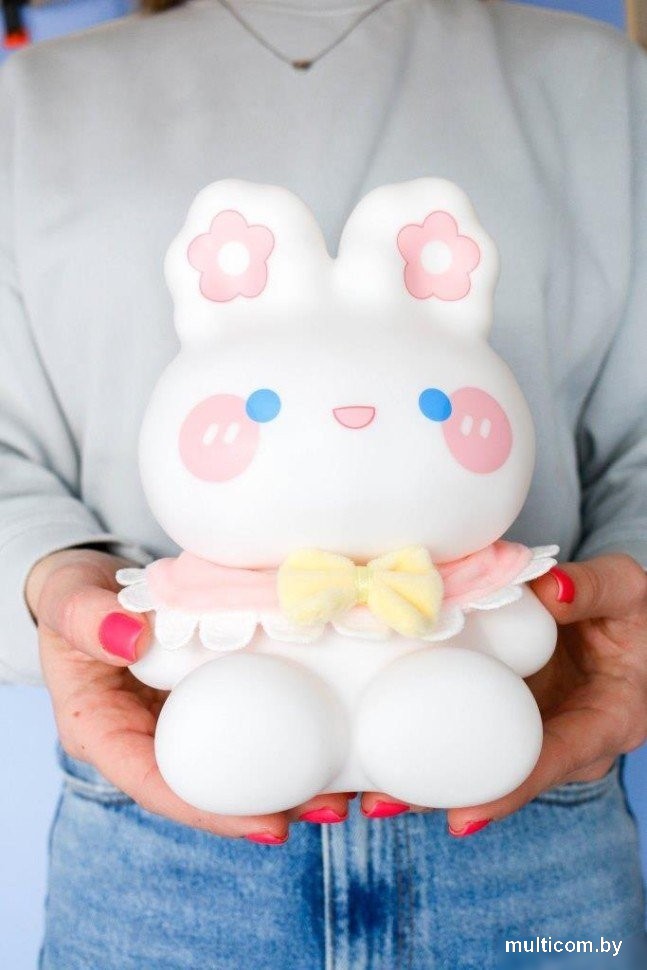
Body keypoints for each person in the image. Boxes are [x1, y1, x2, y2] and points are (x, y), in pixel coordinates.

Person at [1, 0, 647, 966]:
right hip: (156, 829)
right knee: (234, 729)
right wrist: (57, 583)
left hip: (538, 816)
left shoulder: (602, 82)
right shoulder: (31, 101)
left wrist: (624, 595)